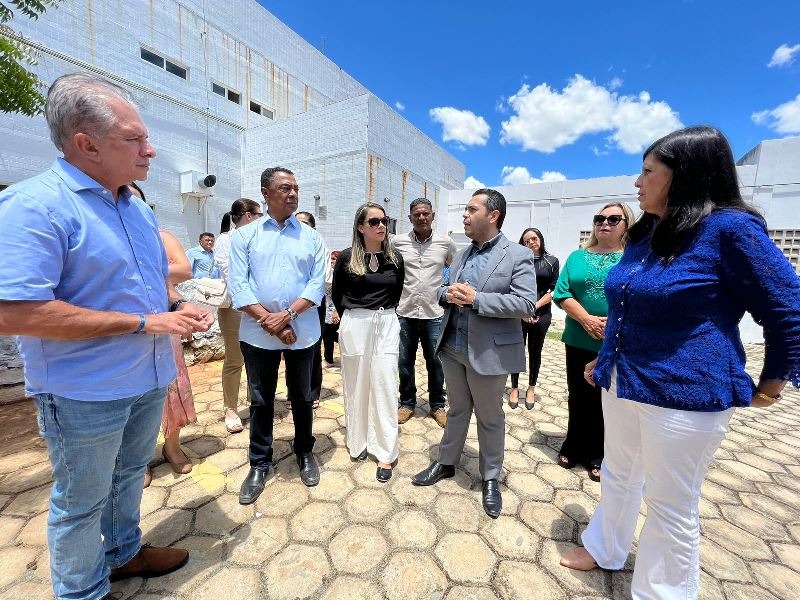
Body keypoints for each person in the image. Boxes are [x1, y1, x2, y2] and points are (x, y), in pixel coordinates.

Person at [560, 126, 800, 599]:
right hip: (622, 383)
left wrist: (771, 385)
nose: (637, 183)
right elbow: (628, 306)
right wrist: (606, 361)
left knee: (670, 505)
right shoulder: (646, 232)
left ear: (684, 175)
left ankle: (662, 591)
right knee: (618, 473)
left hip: (684, 396)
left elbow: (788, 309)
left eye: (648, 171)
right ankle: (606, 546)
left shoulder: (729, 230)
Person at [0, 73, 212, 600]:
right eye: (134, 139)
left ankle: (123, 553)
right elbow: (14, 312)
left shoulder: (136, 209)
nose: (150, 150)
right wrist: (143, 323)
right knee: (80, 502)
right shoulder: (34, 206)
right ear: (86, 144)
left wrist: (176, 308)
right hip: (84, 393)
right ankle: (82, 591)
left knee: (130, 475)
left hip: (148, 378)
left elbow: (147, 288)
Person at [412, 189, 537, 518]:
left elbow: (526, 303)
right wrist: (447, 294)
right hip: (453, 348)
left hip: (488, 353)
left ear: (493, 215)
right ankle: (446, 462)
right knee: (456, 411)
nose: (465, 216)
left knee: (489, 417)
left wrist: (476, 299)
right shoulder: (462, 253)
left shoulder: (518, 255)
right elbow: (442, 289)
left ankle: (491, 476)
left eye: (471, 210)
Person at [229, 167, 325, 505]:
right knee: (260, 399)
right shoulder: (245, 236)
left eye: (296, 187)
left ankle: (304, 451)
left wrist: (287, 316)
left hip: (302, 331)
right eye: (285, 188)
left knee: (302, 396)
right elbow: (238, 285)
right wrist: (270, 321)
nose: (293, 193)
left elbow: (317, 283)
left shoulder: (311, 237)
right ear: (265, 193)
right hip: (258, 334)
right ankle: (259, 462)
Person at [552, 201, 634, 482]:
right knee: (578, 395)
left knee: (606, 399)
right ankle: (573, 444)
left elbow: (637, 298)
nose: (604, 223)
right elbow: (562, 293)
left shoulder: (634, 259)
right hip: (577, 336)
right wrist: (587, 320)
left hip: (615, 341)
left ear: (627, 224)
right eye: (600, 218)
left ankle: (600, 453)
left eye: (613, 219)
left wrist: (611, 325)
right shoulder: (577, 256)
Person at [129, 182, 197, 486]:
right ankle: (138, 458)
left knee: (172, 388)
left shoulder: (160, 237)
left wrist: (138, 270)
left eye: (134, 200)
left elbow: (184, 270)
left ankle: (172, 446)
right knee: (132, 395)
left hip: (165, 326)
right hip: (123, 333)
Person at [332, 203, 405, 482]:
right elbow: (338, 294)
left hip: (385, 323)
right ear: (361, 227)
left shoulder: (395, 258)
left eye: (384, 220)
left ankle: (385, 450)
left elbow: (397, 292)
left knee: (385, 385)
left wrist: (381, 315)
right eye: (374, 221)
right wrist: (354, 317)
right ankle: (358, 440)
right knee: (356, 384)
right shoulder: (347, 257)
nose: (381, 226)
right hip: (355, 323)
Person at [394, 198, 457, 428]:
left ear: (433, 216)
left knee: (436, 362)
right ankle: (407, 403)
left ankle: (437, 405)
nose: (421, 218)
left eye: (426, 214)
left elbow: (455, 267)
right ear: (410, 217)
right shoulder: (397, 242)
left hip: (435, 314)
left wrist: (449, 292)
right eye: (417, 214)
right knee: (404, 362)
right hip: (405, 312)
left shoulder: (445, 243)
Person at [215, 198, 263, 433]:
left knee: (257, 358)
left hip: (259, 306)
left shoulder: (260, 238)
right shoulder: (226, 240)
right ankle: (231, 409)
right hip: (235, 307)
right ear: (248, 216)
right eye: (259, 215)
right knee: (235, 359)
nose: (262, 219)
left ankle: (256, 402)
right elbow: (231, 274)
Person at [508, 228, 560, 410]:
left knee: (535, 352)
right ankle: (514, 388)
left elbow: (554, 289)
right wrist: (523, 311)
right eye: (526, 241)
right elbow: (512, 287)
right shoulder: (518, 261)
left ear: (540, 239)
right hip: (520, 314)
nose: (531, 242)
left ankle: (531, 388)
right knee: (516, 351)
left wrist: (534, 307)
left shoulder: (552, 261)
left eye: (534, 238)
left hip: (542, 313)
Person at [294, 210, 326, 409]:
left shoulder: (320, 246)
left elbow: (322, 279)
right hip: (290, 306)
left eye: (305, 223)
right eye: (297, 223)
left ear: (313, 227)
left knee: (313, 349)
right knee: (292, 350)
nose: (300, 227)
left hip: (312, 305)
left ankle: (312, 392)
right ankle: (294, 392)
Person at [322, 250, 342, 367]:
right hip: (326, 309)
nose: (331, 261)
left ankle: (329, 360)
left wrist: (336, 311)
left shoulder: (339, 275)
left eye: (334, 259)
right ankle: (328, 359)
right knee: (328, 335)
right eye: (330, 259)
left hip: (335, 310)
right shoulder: (329, 273)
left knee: (332, 335)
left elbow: (340, 295)